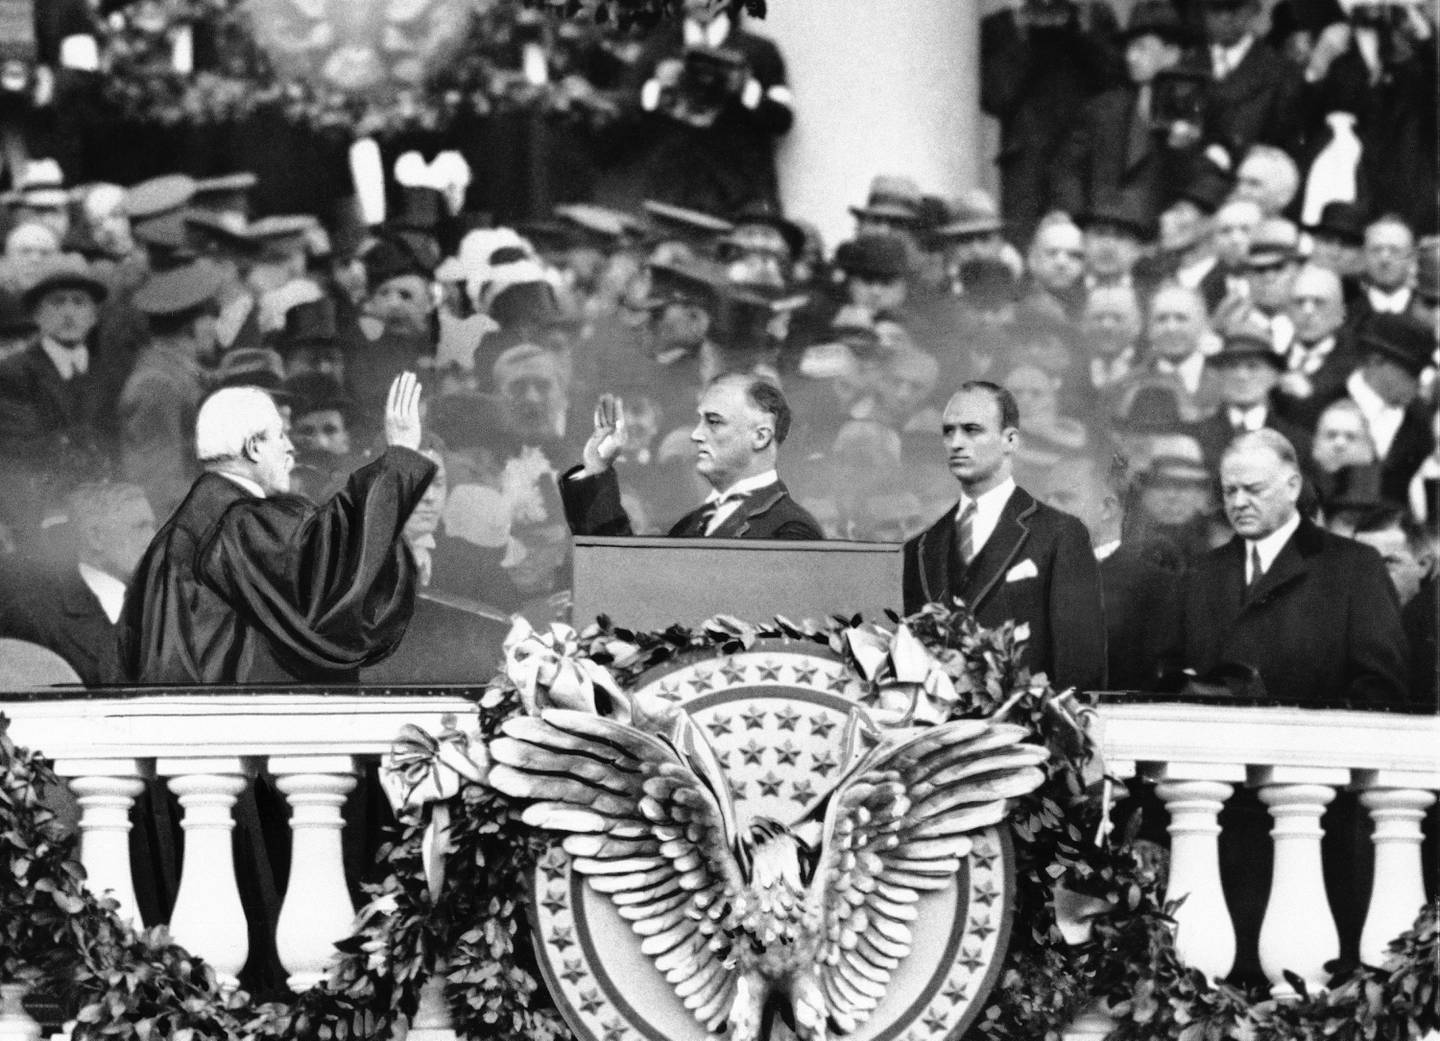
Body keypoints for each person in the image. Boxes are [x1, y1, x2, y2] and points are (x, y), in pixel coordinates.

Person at [118, 372, 437, 684]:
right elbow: (326, 570)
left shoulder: (181, 528)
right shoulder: (235, 523)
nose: (290, 449)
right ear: (254, 448)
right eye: (281, 436)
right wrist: (400, 459)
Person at [902, 381, 1107, 692]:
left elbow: (1080, 664)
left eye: (972, 430)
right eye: (948, 431)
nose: (956, 442)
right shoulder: (921, 547)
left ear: (1010, 440)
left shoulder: (1059, 534)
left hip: (1026, 731)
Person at [1179, 428, 1407, 707]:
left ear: (1293, 487)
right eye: (1230, 491)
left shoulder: (1355, 566)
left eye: (1254, 489)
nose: (1239, 503)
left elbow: (1381, 687)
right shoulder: (1201, 573)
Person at [559, 372, 822, 539]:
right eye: (700, 421)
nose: (696, 435)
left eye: (714, 422)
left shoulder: (790, 531)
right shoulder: (692, 524)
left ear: (761, 436)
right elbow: (626, 575)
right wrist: (597, 469)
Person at [1039, 450, 1181, 691]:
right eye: (1047, 498)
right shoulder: (1031, 577)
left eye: (1064, 498)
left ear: (1107, 507)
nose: (1048, 508)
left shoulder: (1155, 586)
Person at [0, 481, 154, 686]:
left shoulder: (166, 605)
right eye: (140, 527)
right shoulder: (34, 621)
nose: (153, 539)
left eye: (153, 527)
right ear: (95, 537)